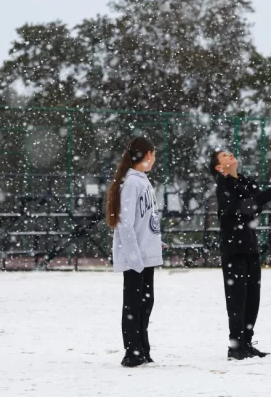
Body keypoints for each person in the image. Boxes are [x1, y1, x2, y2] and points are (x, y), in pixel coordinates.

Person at [209, 150, 271, 360]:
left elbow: (253, 208)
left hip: (250, 246)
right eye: (224, 155)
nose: (230, 155)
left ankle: (247, 342)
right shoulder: (223, 184)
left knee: (253, 298)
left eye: (230, 153)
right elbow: (238, 208)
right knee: (237, 299)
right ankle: (236, 346)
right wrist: (268, 194)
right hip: (233, 249)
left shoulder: (245, 181)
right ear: (218, 167)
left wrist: (265, 196)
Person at [106, 137, 163, 367]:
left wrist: (155, 241)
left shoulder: (143, 181)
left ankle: (142, 348)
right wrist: (135, 258)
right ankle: (132, 352)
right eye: (154, 154)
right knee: (134, 304)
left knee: (145, 303)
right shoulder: (131, 183)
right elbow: (125, 223)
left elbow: (144, 219)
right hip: (135, 259)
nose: (155, 159)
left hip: (145, 256)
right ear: (148, 155)